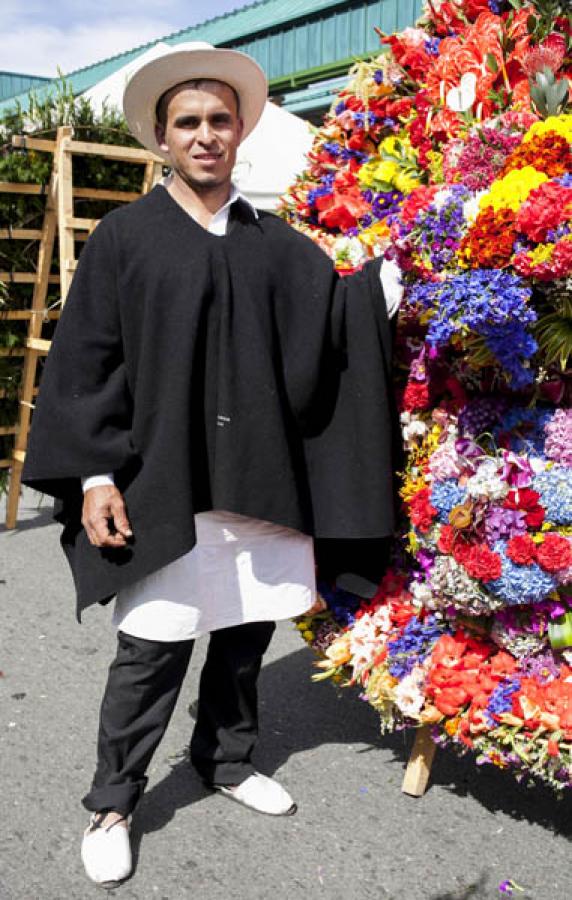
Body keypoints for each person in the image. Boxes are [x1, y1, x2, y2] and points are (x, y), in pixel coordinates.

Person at [22, 41, 402, 887]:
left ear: (240, 134)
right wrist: (93, 478)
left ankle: (224, 761)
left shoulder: (278, 244)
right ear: (162, 140)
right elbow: (86, 364)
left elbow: (331, 326)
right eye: (187, 122)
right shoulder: (125, 238)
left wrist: (384, 288)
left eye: (218, 121)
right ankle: (113, 800)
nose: (204, 135)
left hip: (258, 482)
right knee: (150, 651)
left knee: (242, 639)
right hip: (164, 483)